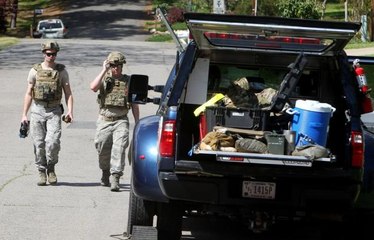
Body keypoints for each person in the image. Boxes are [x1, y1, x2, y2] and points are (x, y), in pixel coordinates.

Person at [21, 40, 74, 186]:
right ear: (44, 53)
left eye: (54, 54)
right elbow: (28, 93)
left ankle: (51, 167)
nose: (51, 57)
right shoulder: (35, 71)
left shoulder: (61, 71)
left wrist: (70, 111)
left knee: (52, 142)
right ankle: (41, 171)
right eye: (49, 54)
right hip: (37, 110)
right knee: (39, 144)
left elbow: (68, 93)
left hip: (54, 111)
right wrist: (24, 115)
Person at [90, 51, 139, 192]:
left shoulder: (128, 81)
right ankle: (105, 171)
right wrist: (103, 70)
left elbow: (134, 104)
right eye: (113, 65)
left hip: (121, 120)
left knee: (119, 147)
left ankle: (115, 176)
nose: (115, 68)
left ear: (122, 65)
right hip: (104, 120)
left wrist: (137, 122)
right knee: (102, 148)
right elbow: (93, 87)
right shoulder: (104, 78)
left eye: (118, 65)